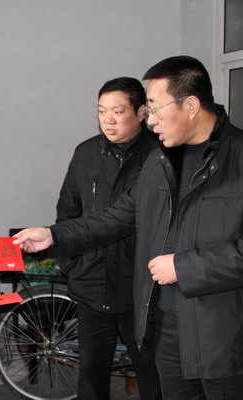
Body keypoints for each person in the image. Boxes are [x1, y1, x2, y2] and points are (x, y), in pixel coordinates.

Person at [14, 56, 243, 400]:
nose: (150, 120)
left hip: (226, 332)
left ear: (190, 105)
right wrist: (54, 235)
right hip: (167, 327)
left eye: (156, 108)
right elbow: (117, 216)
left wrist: (183, 267)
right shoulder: (160, 161)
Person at [55, 77, 161, 399]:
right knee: (91, 374)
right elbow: (68, 212)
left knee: (152, 371)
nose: (108, 120)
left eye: (118, 111)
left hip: (142, 286)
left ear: (141, 112)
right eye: (101, 111)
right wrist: (72, 265)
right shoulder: (86, 153)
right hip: (92, 282)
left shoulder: (160, 153)